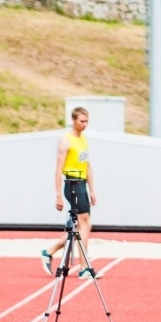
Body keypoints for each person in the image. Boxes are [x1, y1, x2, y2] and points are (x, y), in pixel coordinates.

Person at [40, 107, 101, 279]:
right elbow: (58, 169)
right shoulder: (65, 140)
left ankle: (49, 251)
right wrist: (58, 194)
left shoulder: (83, 140)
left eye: (87, 121)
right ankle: (84, 268)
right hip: (72, 184)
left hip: (82, 184)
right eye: (82, 121)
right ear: (73, 120)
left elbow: (87, 165)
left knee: (82, 226)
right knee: (85, 223)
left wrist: (93, 189)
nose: (85, 124)